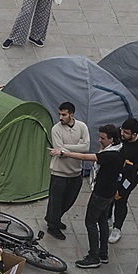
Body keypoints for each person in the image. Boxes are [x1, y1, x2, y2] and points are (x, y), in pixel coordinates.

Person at [75, 125, 126, 269]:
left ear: (111, 139)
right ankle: (103, 253)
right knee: (103, 220)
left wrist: (64, 153)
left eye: (103, 138)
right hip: (110, 193)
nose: (100, 140)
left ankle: (94, 256)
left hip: (101, 193)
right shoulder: (120, 150)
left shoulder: (109, 155)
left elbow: (86, 157)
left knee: (90, 222)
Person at [43, 103, 92, 241]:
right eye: (60, 114)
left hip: (76, 172)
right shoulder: (56, 129)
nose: (61, 117)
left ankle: (54, 218)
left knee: (69, 200)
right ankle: (52, 225)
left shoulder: (82, 127)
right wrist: (74, 148)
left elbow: (86, 147)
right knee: (55, 202)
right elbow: (58, 149)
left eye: (64, 114)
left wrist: (64, 149)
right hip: (59, 173)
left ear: (71, 114)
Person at [109, 118, 138, 243]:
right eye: (122, 130)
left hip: (128, 178)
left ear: (134, 134)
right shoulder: (119, 135)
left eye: (126, 133)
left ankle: (117, 228)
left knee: (120, 200)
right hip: (113, 173)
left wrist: (123, 189)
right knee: (108, 197)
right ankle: (107, 218)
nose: (122, 134)